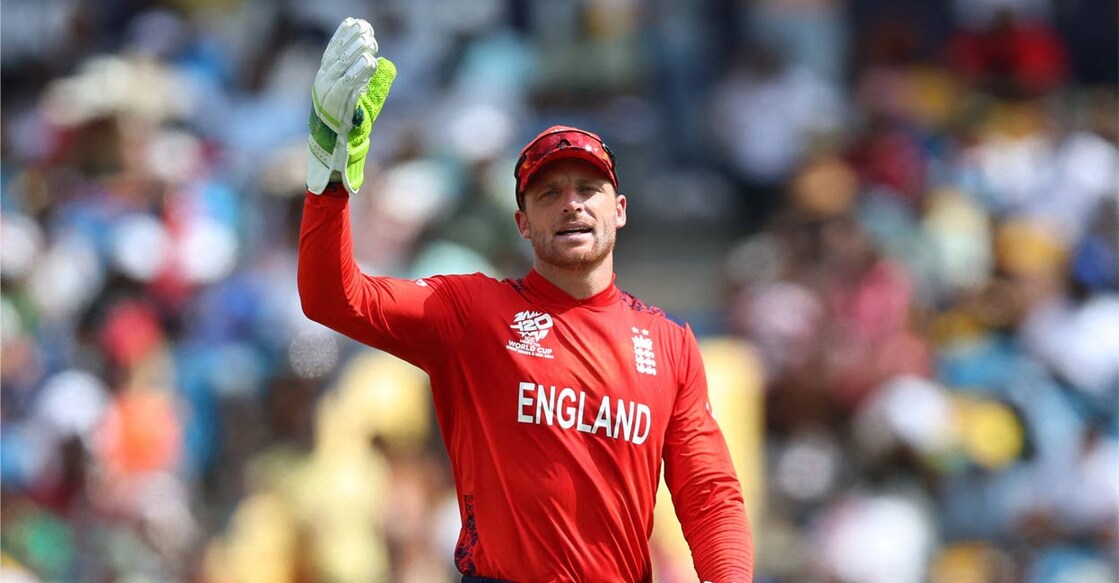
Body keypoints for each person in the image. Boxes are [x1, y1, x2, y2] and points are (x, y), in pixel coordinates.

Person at [298, 18, 754, 582]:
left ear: (619, 211)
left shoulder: (670, 344)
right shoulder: (471, 311)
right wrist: (330, 184)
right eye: (549, 193)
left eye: (589, 189)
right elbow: (332, 298)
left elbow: (709, 493)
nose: (571, 204)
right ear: (521, 222)